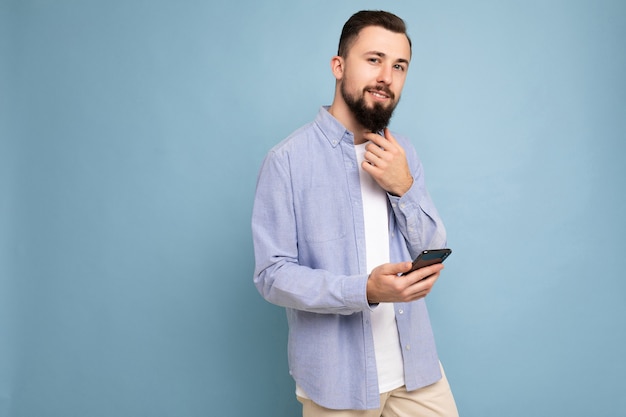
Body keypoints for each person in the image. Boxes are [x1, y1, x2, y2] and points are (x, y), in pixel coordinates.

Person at [252, 10, 459, 417]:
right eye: (373, 59)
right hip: (337, 383)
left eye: (399, 66)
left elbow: (434, 248)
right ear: (339, 66)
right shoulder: (287, 161)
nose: (386, 75)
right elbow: (272, 275)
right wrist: (364, 290)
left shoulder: (403, 154)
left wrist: (404, 187)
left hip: (416, 371)